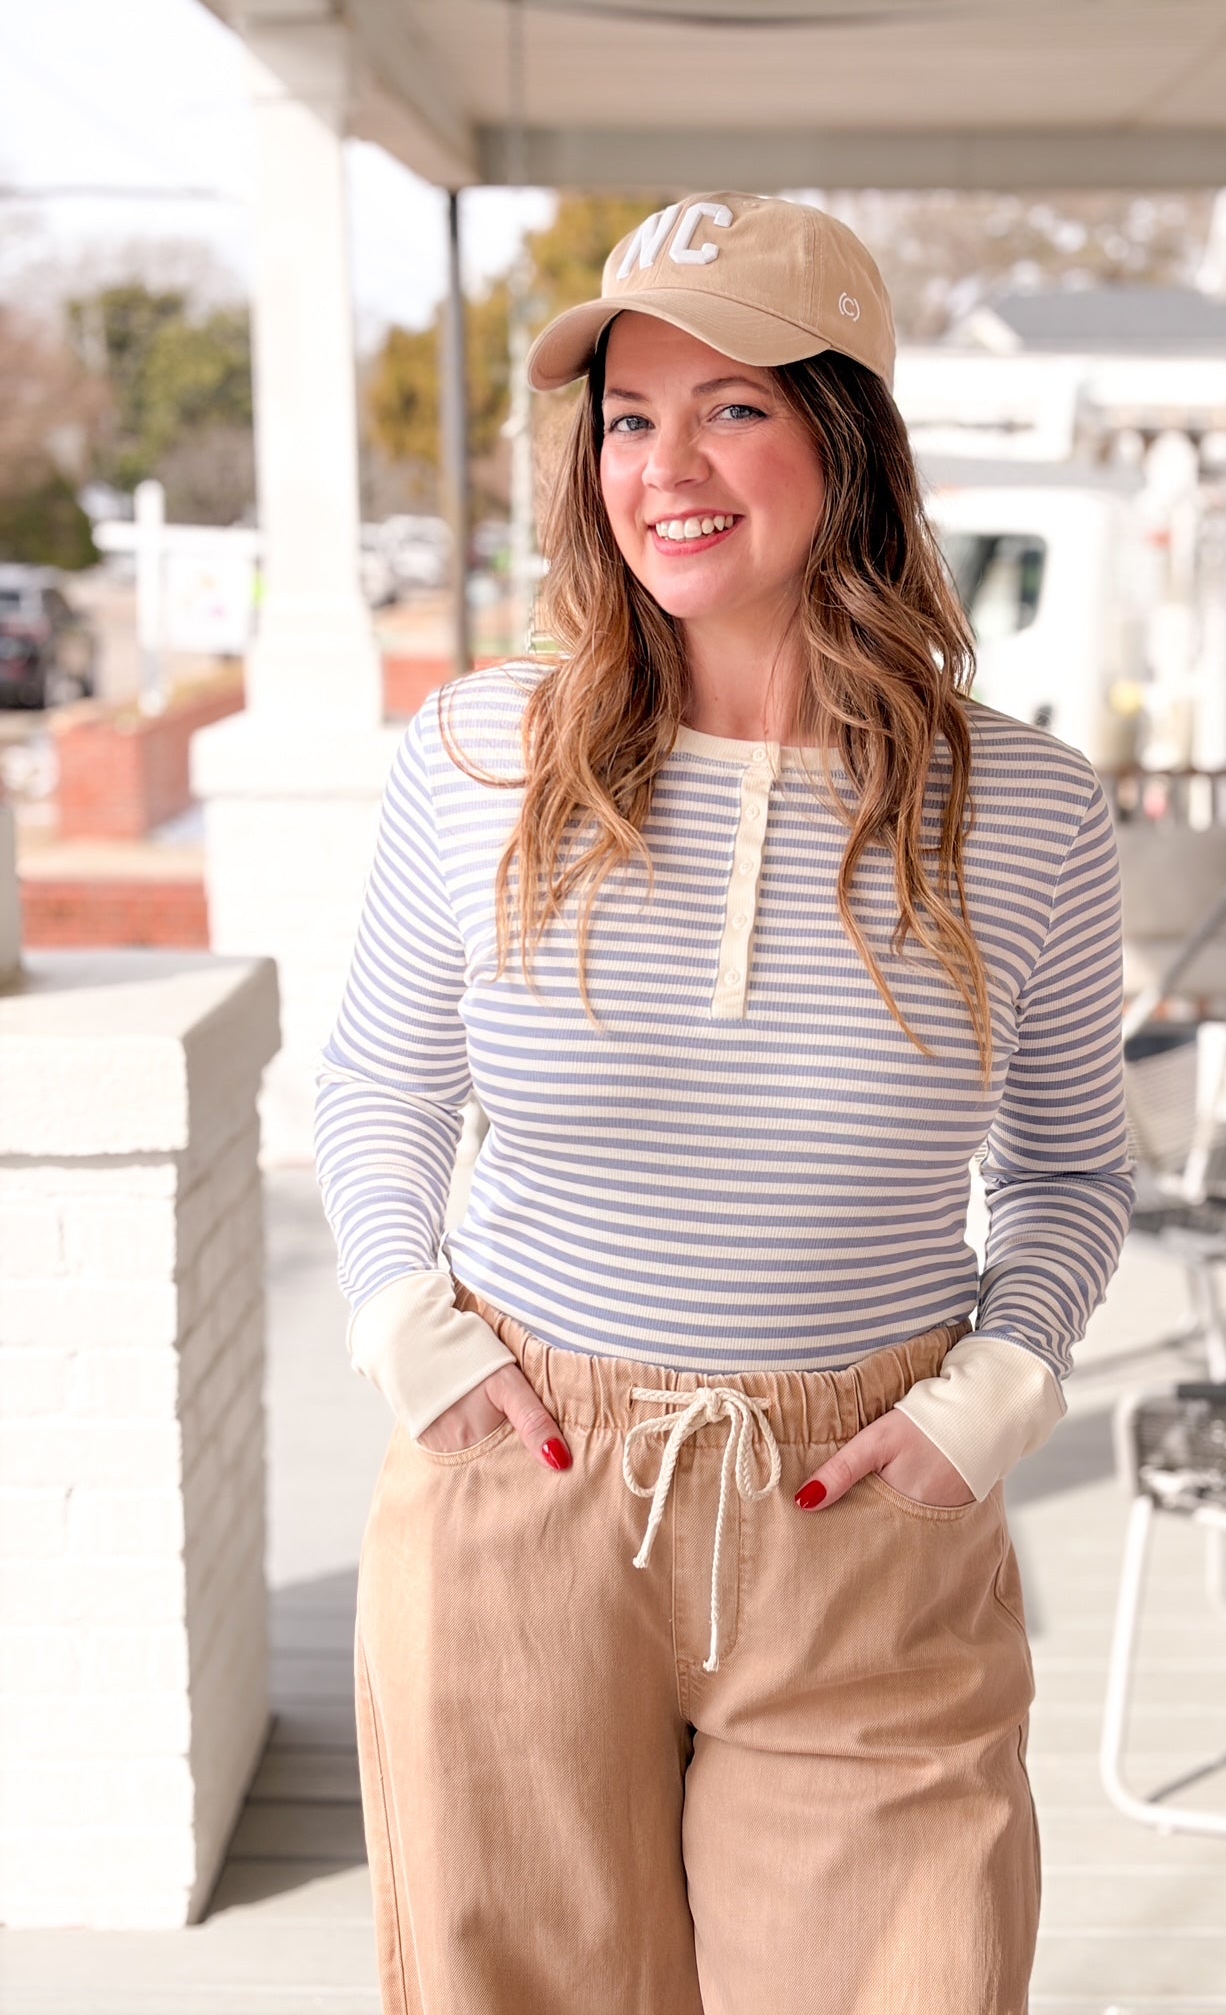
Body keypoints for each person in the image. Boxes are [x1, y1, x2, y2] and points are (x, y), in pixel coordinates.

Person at [315, 191, 1133, 2015]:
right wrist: (407, 1329)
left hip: (866, 1511)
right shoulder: (476, 754)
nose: (664, 466)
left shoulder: (1027, 813)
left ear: (847, 439)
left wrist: (992, 1401)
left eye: (732, 407)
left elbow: (1074, 1164)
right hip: (521, 1488)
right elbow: (378, 1076)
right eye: (626, 417)